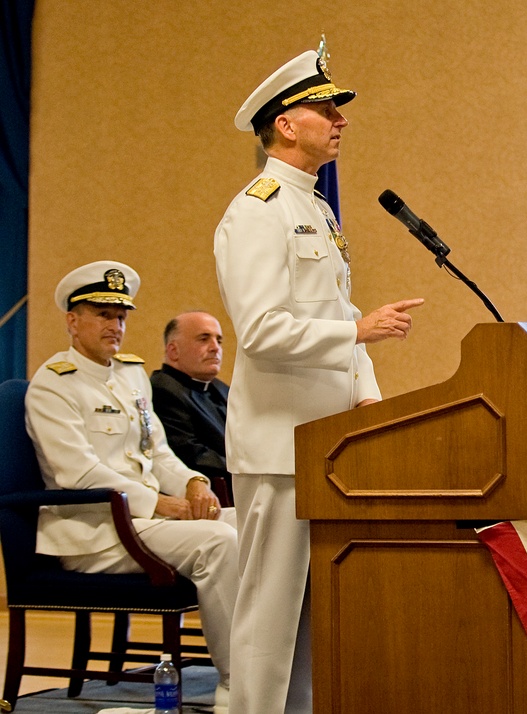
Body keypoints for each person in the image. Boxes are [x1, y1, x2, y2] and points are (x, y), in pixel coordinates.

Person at [215, 37, 424, 714]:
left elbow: (336, 312)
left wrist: (369, 395)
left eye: (338, 109)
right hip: (279, 446)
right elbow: (264, 332)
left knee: (312, 617)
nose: (341, 119)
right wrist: (359, 333)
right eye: (326, 108)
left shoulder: (317, 209)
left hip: (328, 442)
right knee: (269, 616)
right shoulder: (258, 209)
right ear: (285, 123)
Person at [24, 261, 236, 714]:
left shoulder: (130, 374)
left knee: (257, 524)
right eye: (102, 314)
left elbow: (156, 451)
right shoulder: (52, 386)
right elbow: (77, 475)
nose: (115, 325)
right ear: (72, 321)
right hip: (96, 528)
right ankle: (239, 684)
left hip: (144, 521)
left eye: (120, 316)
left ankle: (281, 666)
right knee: (219, 542)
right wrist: (163, 504)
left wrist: (195, 483)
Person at [150, 311, 231, 500]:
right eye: (204, 339)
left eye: (219, 340)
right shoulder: (163, 389)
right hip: (208, 492)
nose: (215, 348)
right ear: (173, 351)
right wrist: (246, 468)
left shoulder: (220, 388)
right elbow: (191, 454)